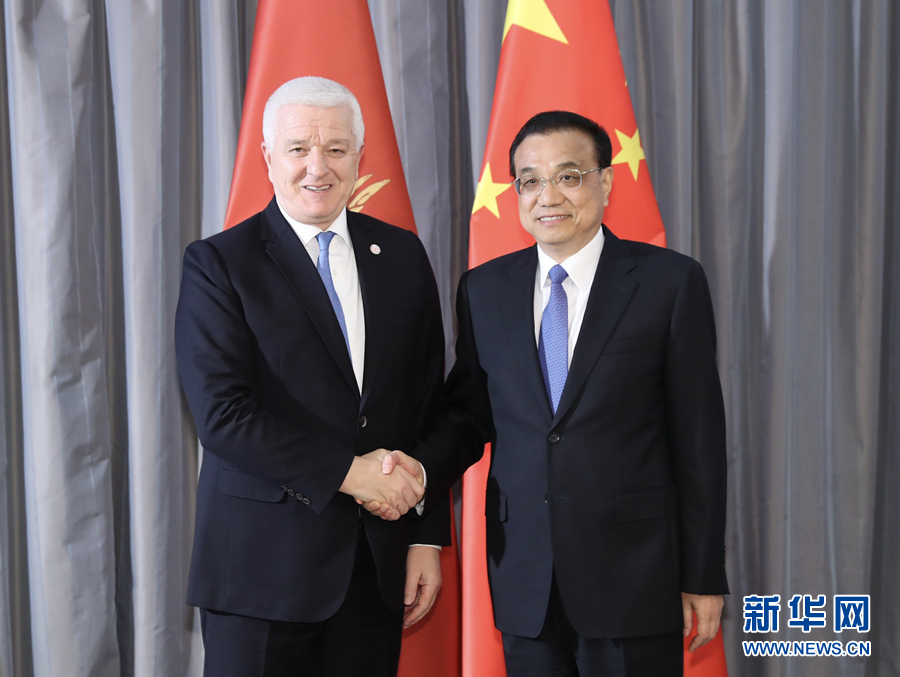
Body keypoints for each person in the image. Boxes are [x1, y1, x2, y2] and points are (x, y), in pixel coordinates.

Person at [373, 110, 728, 676]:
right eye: (530, 180)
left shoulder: (669, 283)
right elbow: (468, 415)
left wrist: (702, 575)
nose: (548, 196)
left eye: (568, 176)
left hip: (635, 577)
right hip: (525, 575)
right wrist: (415, 470)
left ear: (604, 181)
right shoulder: (484, 289)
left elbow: (699, 441)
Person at [175, 76, 449, 677]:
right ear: (268, 156)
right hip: (259, 575)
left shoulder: (402, 255)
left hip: (373, 570)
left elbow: (425, 405)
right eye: (298, 148)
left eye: (336, 148)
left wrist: (424, 536)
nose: (317, 167)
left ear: (360, 156)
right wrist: (351, 474)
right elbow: (223, 416)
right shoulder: (219, 263)